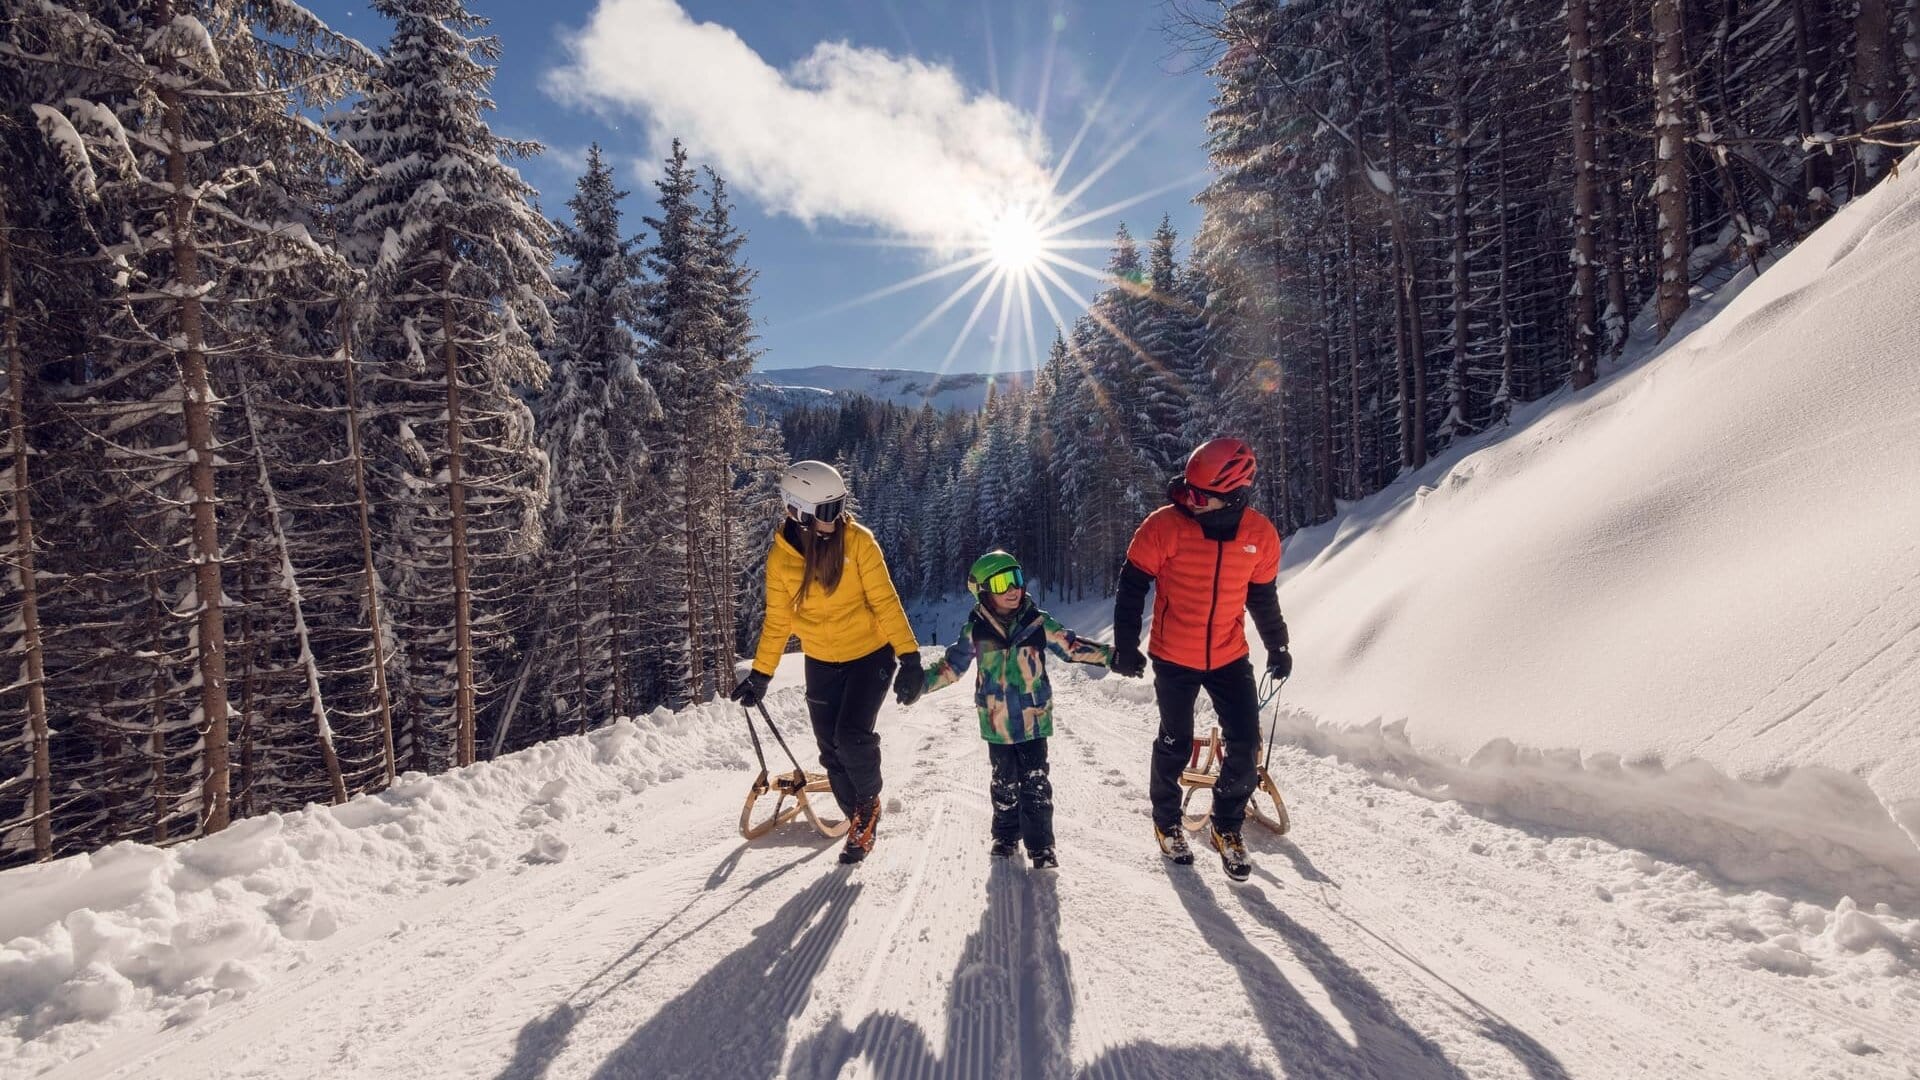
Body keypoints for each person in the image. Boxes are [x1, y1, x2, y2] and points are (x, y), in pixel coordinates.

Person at [1110, 438, 1292, 882]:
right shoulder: (1163, 527)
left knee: (1246, 744)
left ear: (1231, 495)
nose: (1186, 498)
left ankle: (1226, 826)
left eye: (1198, 494)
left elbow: (1262, 597)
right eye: (1186, 489)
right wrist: (1126, 646)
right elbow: (1132, 588)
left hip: (1229, 655)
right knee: (1176, 741)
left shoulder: (1259, 536)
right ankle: (1167, 821)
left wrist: (1279, 646)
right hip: (1174, 653)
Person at [732, 460, 923, 864]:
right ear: (797, 512)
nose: (836, 518)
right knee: (830, 751)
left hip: (869, 655)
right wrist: (761, 675)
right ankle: (856, 814)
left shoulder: (859, 543)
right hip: (821, 661)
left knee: (852, 737)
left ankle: (867, 809)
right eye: (826, 511)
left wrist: (909, 657)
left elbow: (886, 603)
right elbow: (778, 622)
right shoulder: (781, 561)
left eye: (839, 506)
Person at [914, 550, 1112, 869]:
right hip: (997, 722)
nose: (1013, 588)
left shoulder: (1037, 622)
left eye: (1017, 578)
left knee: (1035, 781)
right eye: (1003, 582)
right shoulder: (975, 631)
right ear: (983, 591)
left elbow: (1071, 647)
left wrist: (1112, 657)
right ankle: (1005, 836)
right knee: (1003, 781)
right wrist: (920, 684)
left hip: (1034, 719)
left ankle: (1042, 846)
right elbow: (952, 666)